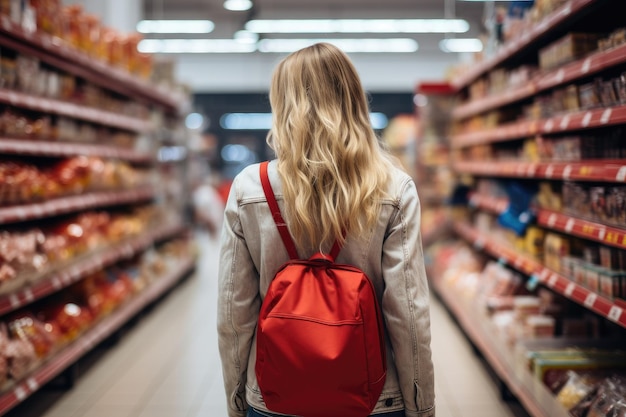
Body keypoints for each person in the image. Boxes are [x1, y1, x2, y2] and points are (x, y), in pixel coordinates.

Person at [217, 42, 435, 417]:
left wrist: (240, 398)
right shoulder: (394, 188)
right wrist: (422, 406)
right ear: (353, 100)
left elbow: (233, 313)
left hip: (275, 395)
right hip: (374, 398)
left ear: (282, 105)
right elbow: (409, 314)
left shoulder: (251, 188)